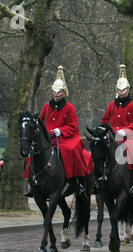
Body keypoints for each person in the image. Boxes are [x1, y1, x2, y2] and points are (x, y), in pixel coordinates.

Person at [25, 65, 93, 197]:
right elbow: (40, 121)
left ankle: (75, 181)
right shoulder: (46, 106)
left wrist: (60, 131)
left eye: (59, 92)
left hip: (66, 138)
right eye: (54, 91)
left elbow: (73, 126)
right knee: (33, 152)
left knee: (69, 151)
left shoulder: (69, 108)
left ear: (63, 92)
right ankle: (32, 182)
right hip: (48, 137)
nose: (56, 94)